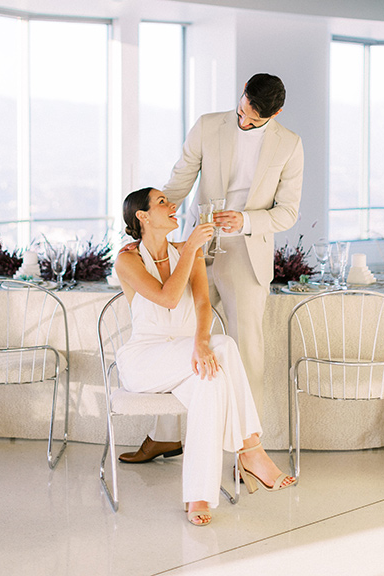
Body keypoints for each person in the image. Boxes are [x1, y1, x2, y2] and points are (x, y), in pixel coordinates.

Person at [119, 73, 303, 464]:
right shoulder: (207, 125)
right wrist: (143, 223)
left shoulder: (290, 145)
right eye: (242, 111)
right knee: (180, 339)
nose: (244, 121)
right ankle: (165, 435)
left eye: (253, 120)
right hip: (195, 248)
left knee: (245, 351)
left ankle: (244, 448)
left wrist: (247, 220)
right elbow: (181, 179)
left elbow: (287, 211)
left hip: (247, 253)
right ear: (242, 95)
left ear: (276, 113)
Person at [115, 187, 295, 526]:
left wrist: (200, 343)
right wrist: (192, 248)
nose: (172, 205)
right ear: (142, 216)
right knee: (224, 346)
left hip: (188, 358)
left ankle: (198, 495)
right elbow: (168, 298)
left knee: (210, 386)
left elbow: (202, 304)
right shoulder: (128, 259)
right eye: (162, 202)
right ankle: (251, 449)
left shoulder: (189, 250)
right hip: (146, 361)